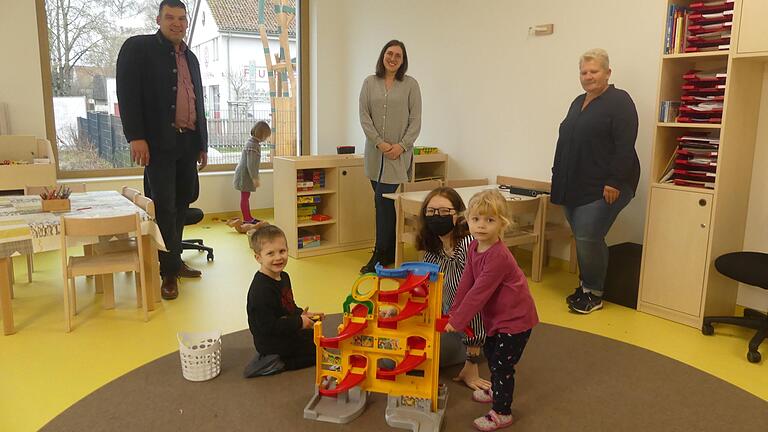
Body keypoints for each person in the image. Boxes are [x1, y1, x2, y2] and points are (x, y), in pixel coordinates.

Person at [116, 0, 208, 300]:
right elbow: (127, 94)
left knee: (182, 204)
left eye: (182, 18)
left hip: (187, 142)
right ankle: (167, 273)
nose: (177, 23)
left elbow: (198, 102)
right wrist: (136, 137)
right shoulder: (138, 49)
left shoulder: (191, 58)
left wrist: (202, 143)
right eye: (170, 17)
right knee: (164, 207)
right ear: (158, 19)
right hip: (158, 145)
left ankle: (174, 260)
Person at [550, 48, 639, 314]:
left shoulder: (619, 101)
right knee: (582, 236)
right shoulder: (578, 101)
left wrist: (614, 181)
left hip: (608, 185)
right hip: (574, 184)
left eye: (594, 71)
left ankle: (595, 292)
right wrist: (557, 174)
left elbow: (625, 144)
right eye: (584, 72)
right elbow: (566, 140)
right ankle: (586, 287)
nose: (588, 76)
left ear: (608, 73)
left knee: (589, 235)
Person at [445, 190, 538, 431]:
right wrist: (453, 311)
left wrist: (458, 321)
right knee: (491, 350)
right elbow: (467, 280)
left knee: (501, 366)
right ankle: (496, 390)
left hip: (515, 320)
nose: (481, 226)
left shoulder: (499, 257)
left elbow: (479, 292)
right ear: (468, 219)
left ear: (502, 223)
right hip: (495, 318)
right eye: (476, 219)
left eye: (490, 220)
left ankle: (502, 412)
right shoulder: (473, 247)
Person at [415, 187, 490, 392]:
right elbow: (425, 290)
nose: (436, 216)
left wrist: (471, 363)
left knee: (406, 356)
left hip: (472, 335)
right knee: (393, 349)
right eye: (430, 212)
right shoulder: (435, 247)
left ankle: (471, 356)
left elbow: (475, 305)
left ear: (458, 215)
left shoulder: (468, 247)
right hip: (446, 323)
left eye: (444, 212)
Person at [359, 39, 422, 273]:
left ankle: (380, 253)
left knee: (382, 203)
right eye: (389, 53)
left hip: (398, 156)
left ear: (403, 60)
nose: (393, 58)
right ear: (383, 56)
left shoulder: (410, 85)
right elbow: (364, 117)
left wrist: (402, 146)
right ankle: (387, 251)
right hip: (375, 156)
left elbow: (415, 120)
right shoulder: (369, 83)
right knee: (383, 205)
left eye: (398, 55)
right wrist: (381, 143)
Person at [246, 224, 324, 371]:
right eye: (270, 254)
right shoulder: (261, 290)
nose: (278, 258)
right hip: (269, 340)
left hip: (282, 327)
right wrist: (298, 322)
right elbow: (267, 327)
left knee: (316, 337)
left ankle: (286, 354)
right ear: (258, 258)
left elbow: (288, 305)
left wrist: (301, 314)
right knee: (316, 353)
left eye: (282, 251)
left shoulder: (284, 276)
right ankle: (278, 363)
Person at [232, 121, 271, 226]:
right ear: (262, 134)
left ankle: (248, 217)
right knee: (245, 196)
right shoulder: (253, 145)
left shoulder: (253, 143)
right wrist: (255, 178)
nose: (266, 138)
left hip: (246, 174)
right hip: (245, 175)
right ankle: (247, 218)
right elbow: (251, 164)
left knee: (246, 196)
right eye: (266, 136)